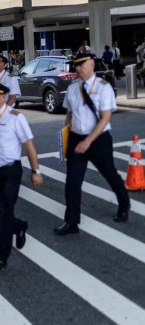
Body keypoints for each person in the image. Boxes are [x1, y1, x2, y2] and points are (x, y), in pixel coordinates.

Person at [55, 53, 130, 236]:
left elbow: (105, 118)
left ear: (91, 65)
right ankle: (71, 222)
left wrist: (88, 141)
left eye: (81, 65)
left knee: (110, 174)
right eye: (76, 65)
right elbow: (69, 115)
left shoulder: (103, 88)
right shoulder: (73, 88)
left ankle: (124, 204)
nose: (78, 68)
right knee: (72, 182)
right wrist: (66, 136)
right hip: (76, 139)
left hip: (98, 140)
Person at [0, 82, 43, 271]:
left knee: (5, 212)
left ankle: (1, 256)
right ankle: (18, 226)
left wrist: (35, 171)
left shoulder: (15, 117)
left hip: (10, 172)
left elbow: (28, 145)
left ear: (3, 97)